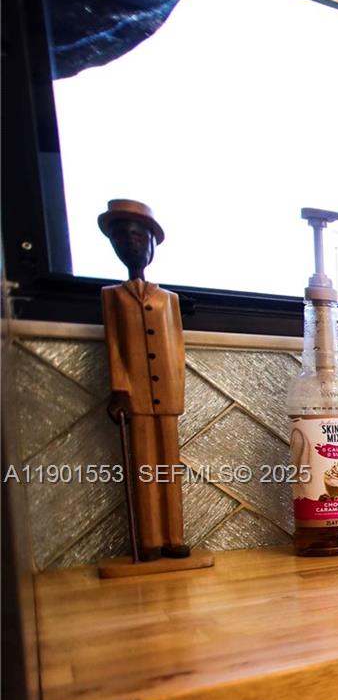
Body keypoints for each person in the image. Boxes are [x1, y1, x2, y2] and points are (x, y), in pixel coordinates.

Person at [99, 199, 188, 559]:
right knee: (143, 470)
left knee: (170, 469)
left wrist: (177, 390)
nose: (132, 242)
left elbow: (178, 348)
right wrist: (119, 389)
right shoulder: (112, 297)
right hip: (135, 395)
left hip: (166, 395)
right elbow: (114, 347)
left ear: (152, 243)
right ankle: (150, 540)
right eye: (123, 236)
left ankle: (174, 536)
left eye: (139, 235)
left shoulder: (169, 300)